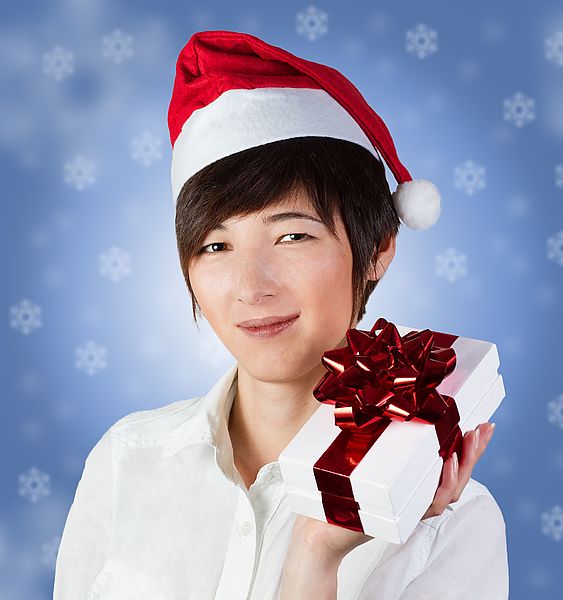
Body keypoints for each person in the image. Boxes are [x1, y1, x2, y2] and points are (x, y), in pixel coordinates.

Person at [53, 31, 508, 599]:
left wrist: (316, 556)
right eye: (216, 246)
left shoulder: (447, 524)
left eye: (292, 235)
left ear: (378, 249)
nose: (251, 286)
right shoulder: (128, 460)